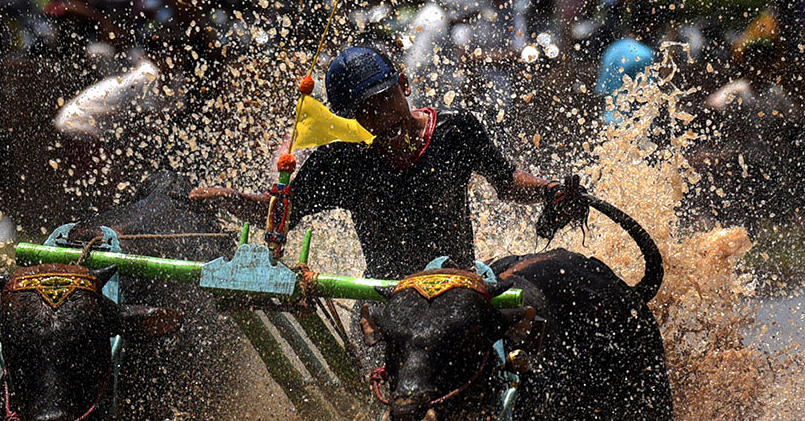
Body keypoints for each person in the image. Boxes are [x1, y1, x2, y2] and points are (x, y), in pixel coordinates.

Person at [190, 46, 587, 279]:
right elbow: (282, 211)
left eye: (384, 100)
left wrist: (551, 190)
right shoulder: (344, 162)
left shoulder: (456, 131)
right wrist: (225, 197)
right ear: (351, 119)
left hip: (461, 286)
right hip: (386, 300)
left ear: (404, 85)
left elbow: (507, 181)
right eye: (364, 112)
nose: (380, 118)